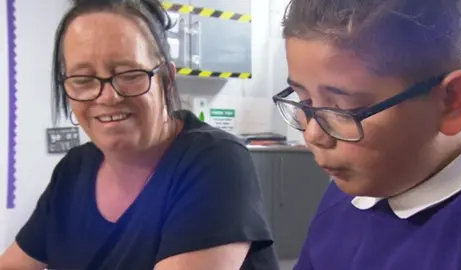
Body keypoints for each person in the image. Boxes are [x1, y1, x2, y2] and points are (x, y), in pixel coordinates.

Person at [0, 0, 279, 269]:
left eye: (129, 74)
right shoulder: (73, 170)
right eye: (83, 80)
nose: (107, 97)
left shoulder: (215, 162)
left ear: (166, 80)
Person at [272, 0, 461, 269]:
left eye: (346, 110)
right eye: (304, 101)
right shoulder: (348, 194)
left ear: (453, 101)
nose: (314, 135)